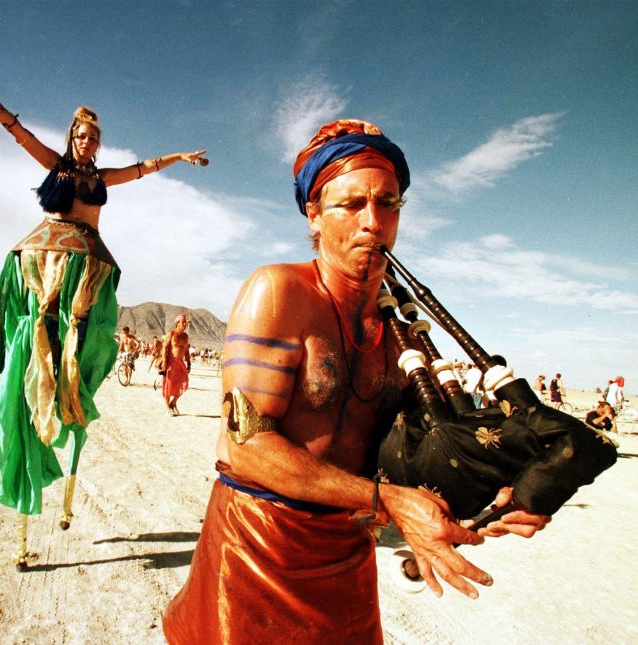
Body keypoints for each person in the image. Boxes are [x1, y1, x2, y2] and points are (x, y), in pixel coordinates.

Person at [163, 119, 549, 643]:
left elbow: (419, 452)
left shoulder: (403, 335)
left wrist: (501, 493)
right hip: (257, 547)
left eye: (389, 204)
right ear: (314, 213)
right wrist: (390, 502)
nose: (374, 222)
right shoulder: (279, 292)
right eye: (352, 204)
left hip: (348, 553)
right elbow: (246, 446)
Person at [0, 62, 207, 548]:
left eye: (94, 138)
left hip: (89, 264)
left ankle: (71, 395)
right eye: (82, 136)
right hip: (51, 259)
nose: (87, 142)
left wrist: (179, 157)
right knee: (42, 332)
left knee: (89, 338)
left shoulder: (102, 175)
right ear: (72, 137)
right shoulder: (56, 165)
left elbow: (143, 169)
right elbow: (18, 133)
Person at [161, 313, 191, 416]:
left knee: (184, 383)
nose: (185, 324)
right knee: (168, 384)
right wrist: (164, 362)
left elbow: (186, 350)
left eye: (185, 322)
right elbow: (164, 347)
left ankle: (173, 402)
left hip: (181, 363)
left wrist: (189, 362)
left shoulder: (185, 336)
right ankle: (167, 408)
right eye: (183, 322)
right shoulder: (171, 334)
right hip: (171, 362)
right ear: (177, 323)